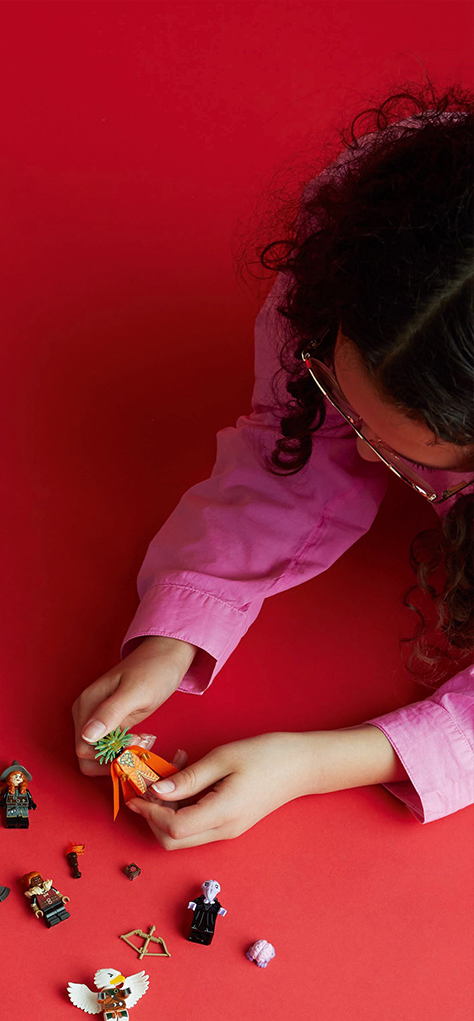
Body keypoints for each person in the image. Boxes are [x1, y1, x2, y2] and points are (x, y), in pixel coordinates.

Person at [72, 89, 473, 847]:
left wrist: (316, 764)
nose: (358, 456)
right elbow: (297, 447)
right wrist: (175, 633)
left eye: (414, 456)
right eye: (345, 400)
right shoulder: (372, 246)